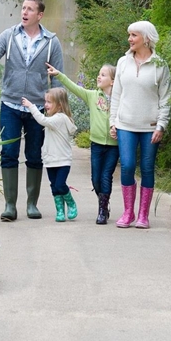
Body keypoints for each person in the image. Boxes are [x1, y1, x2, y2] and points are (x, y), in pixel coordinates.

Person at [0, 0, 64, 221]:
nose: (24, 12)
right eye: (23, 8)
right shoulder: (10, 35)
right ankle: (10, 206)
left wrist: (57, 108)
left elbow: (58, 78)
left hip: (37, 108)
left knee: (34, 155)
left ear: (39, 15)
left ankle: (32, 204)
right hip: (10, 105)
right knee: (9, 154)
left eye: (30, 9)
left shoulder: (52, 42)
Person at [109, 20, 171, 229]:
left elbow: (165, 98)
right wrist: (113, 122)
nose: (130, 39)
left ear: (146, 38)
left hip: (150, 127)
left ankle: (143, 215)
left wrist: (161, 125)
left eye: (134, 35)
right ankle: (128, 212)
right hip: (125, 124)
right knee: (126, 166)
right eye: (129, 35)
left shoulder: (160, 65)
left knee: (146, 168)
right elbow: (116, 94)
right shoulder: (122, 62)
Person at [46, 61, 118, 225]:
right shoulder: (93, 96)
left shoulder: (120, 99)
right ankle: (104, 205)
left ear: (113, 81)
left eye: (103, 75)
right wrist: (60, 75)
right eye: (99, 74)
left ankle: (102, 210)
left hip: (114, 146)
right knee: (95, 179)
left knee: (106, 176)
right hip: (97, 144)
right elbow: (75, 88)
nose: (99, 77)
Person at [21, 89, 77, 222]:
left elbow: (42, 120)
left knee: (60, 184)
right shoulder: (54, 119)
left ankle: (71, 203)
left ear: (59, 105)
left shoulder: (60, 118)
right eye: (45, 101)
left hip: (62, 160)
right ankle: (60, 210)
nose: (46, 105)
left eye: (49, 102)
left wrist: (31, 106)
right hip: (51, 160)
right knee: (54, 185)